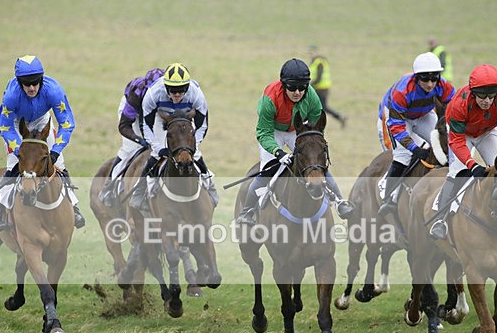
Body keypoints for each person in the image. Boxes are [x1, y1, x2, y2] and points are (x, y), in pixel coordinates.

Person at [235, 58, 355, 225]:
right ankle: (247, 212)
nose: (297, 92)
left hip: (296, 131)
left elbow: (316, 131)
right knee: (267, 170)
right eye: (292, 87)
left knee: (316, 163)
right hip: (273, 132)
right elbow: (263, 133)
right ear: (284, 85)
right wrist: (279, 153)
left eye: (302, 88)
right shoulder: (269, 99)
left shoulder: (312, 98)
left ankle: (340, 203)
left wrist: (313, 149)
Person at [0, 55, 85, 233]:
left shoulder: (54, 90)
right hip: (16, 124)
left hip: (42, 121)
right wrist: (21, 151)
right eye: (27, 84)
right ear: (20, 82)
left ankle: (74, 206)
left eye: (35, 83)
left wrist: (55, 151)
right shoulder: (11, 96)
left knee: (59, 165)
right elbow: (4, 126)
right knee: (13, 167)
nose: (31, 87)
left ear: (41, 79)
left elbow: (67, 123)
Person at [428, 64, 497, 240]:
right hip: (462, 135)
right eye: (482, 96)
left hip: (488, 132)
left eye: (491, 96)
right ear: (473, 91)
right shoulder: (460, 104)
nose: (487, 101)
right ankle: (440, 220)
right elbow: (457, 142)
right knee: (458, 172)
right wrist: (471, 164)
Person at [129, 62, 216, 213]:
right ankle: (140, 191)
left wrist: (194, 145)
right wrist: (158, 147)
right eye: (172, 90)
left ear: (187, 87)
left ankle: (209, 184)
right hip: (161, 117)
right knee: (156, 155)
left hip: (186, 119)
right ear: (165, 86)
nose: (176, 94)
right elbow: (145, 126)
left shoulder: (196, 94)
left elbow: (202, 126)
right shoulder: (153, 94)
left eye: (181, 90)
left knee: (195, 154)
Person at [377, 52, 455, 215]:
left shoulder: (443, 85)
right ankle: (389, 196)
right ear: (416, 77)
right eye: (425, 79)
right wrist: (414, 148)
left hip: (423, 114)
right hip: (396, 118)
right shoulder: (402, 92)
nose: (430, 84)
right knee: (403, 155)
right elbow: (397, 127)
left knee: (444, 145)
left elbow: (453, 106)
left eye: (434, 78)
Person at [98, 67, 164, 207]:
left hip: (155, 113)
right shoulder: (137, 93)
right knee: (131, 149)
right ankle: (109, 187)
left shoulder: (166, 93)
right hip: (133, 113)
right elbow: (124, 126)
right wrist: (139, 139)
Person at [309, 46, 346, 128]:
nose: (310, 55)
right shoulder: (315, 62)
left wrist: (311, 86)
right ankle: (339, 117)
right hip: (320, 88)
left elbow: (319, 77)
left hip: (321, 89)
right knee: (320, 107)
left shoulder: (319, 62)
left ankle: (339, 117)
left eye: (312, 53)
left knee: (321, 107)